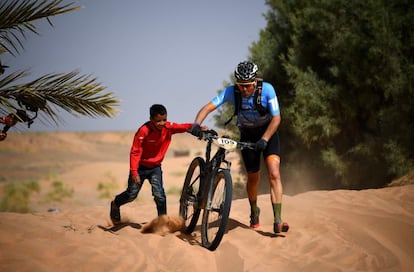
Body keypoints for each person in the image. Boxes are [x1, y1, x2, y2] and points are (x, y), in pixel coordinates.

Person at [189, 61, 289, 233]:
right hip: (248, 135)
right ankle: (254, 211)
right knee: (253, 178)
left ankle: (278, 220)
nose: (244, 89)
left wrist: (264, 139)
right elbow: (208, 107)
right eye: (241, 85)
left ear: (255, 82)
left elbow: (276, 118)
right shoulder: (232, 91)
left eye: (248, 86)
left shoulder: (267, 90)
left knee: (274, 173)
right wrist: (196, 125)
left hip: (268, 134)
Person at [110, 104, 193, 224]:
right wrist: (134, 172)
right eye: (158, 121)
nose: (162, 123)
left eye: (164, 119)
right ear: (151, 120)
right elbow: (135, 151)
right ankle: (115, 203)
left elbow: (183, 127)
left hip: (155, 168)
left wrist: (198, 127)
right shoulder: (144, 131)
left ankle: (162, 222)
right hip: (139, 168)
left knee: (160, 195)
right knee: (131, 195)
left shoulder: (168, 127)